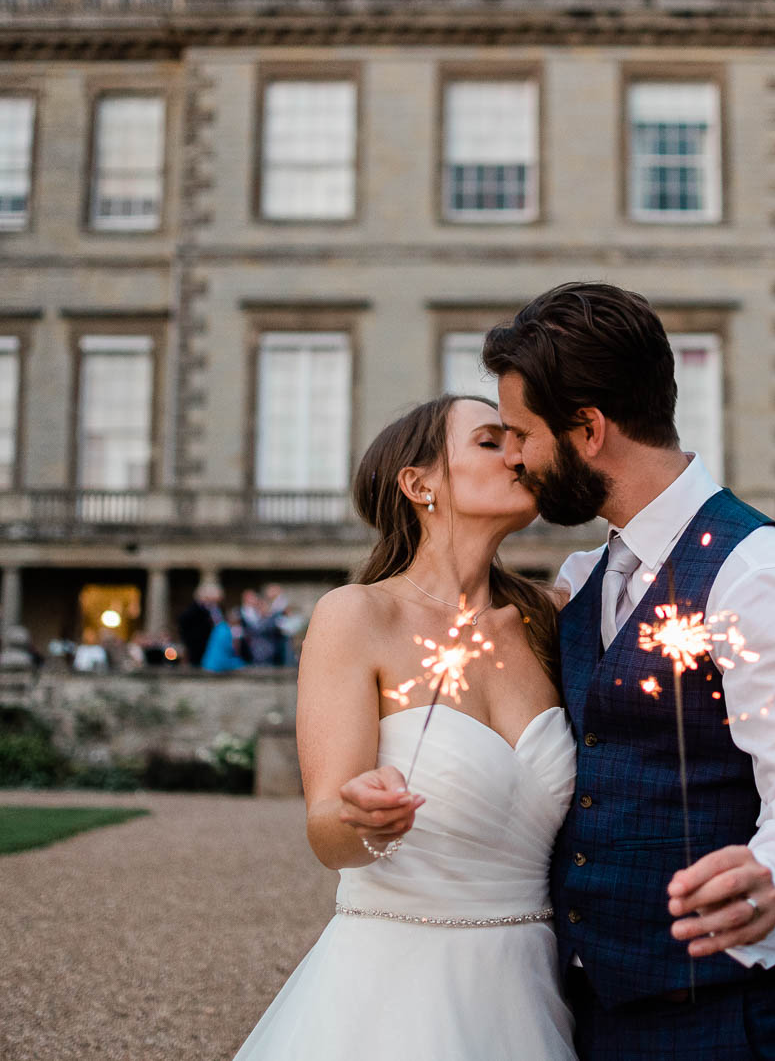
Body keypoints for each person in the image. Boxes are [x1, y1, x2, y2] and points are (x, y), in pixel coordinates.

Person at [487, 283, 775, 1058]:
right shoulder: (586, 572)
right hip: (588, 1015)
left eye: (522, 433)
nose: (516, 456)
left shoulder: (753, 572)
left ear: (588, 429)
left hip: (722, 1026)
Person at [232, 393, 571, 1060]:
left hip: (535, 982)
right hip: (391, 987)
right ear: (419, 484)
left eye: (519, 439)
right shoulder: (357, 616)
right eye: (489, 441)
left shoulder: (551, 620)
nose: (520, 453)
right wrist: (364, 820)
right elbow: (328, 830)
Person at [177, 582, 224, 668]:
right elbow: (183, 624)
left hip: (213, 646)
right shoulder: (194, 610)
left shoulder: (215, 609)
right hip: (198, 649)